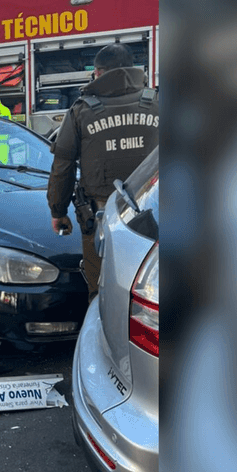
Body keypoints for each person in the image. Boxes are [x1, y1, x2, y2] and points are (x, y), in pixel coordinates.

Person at [46, 43, 159, 299]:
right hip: (157, 219)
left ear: (98, 73)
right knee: (152, 293)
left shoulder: (81, 111)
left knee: (102, 293)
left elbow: (62, 167)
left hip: (100, 221)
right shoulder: (158, 103)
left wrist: (57, 211)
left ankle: (102, 337)